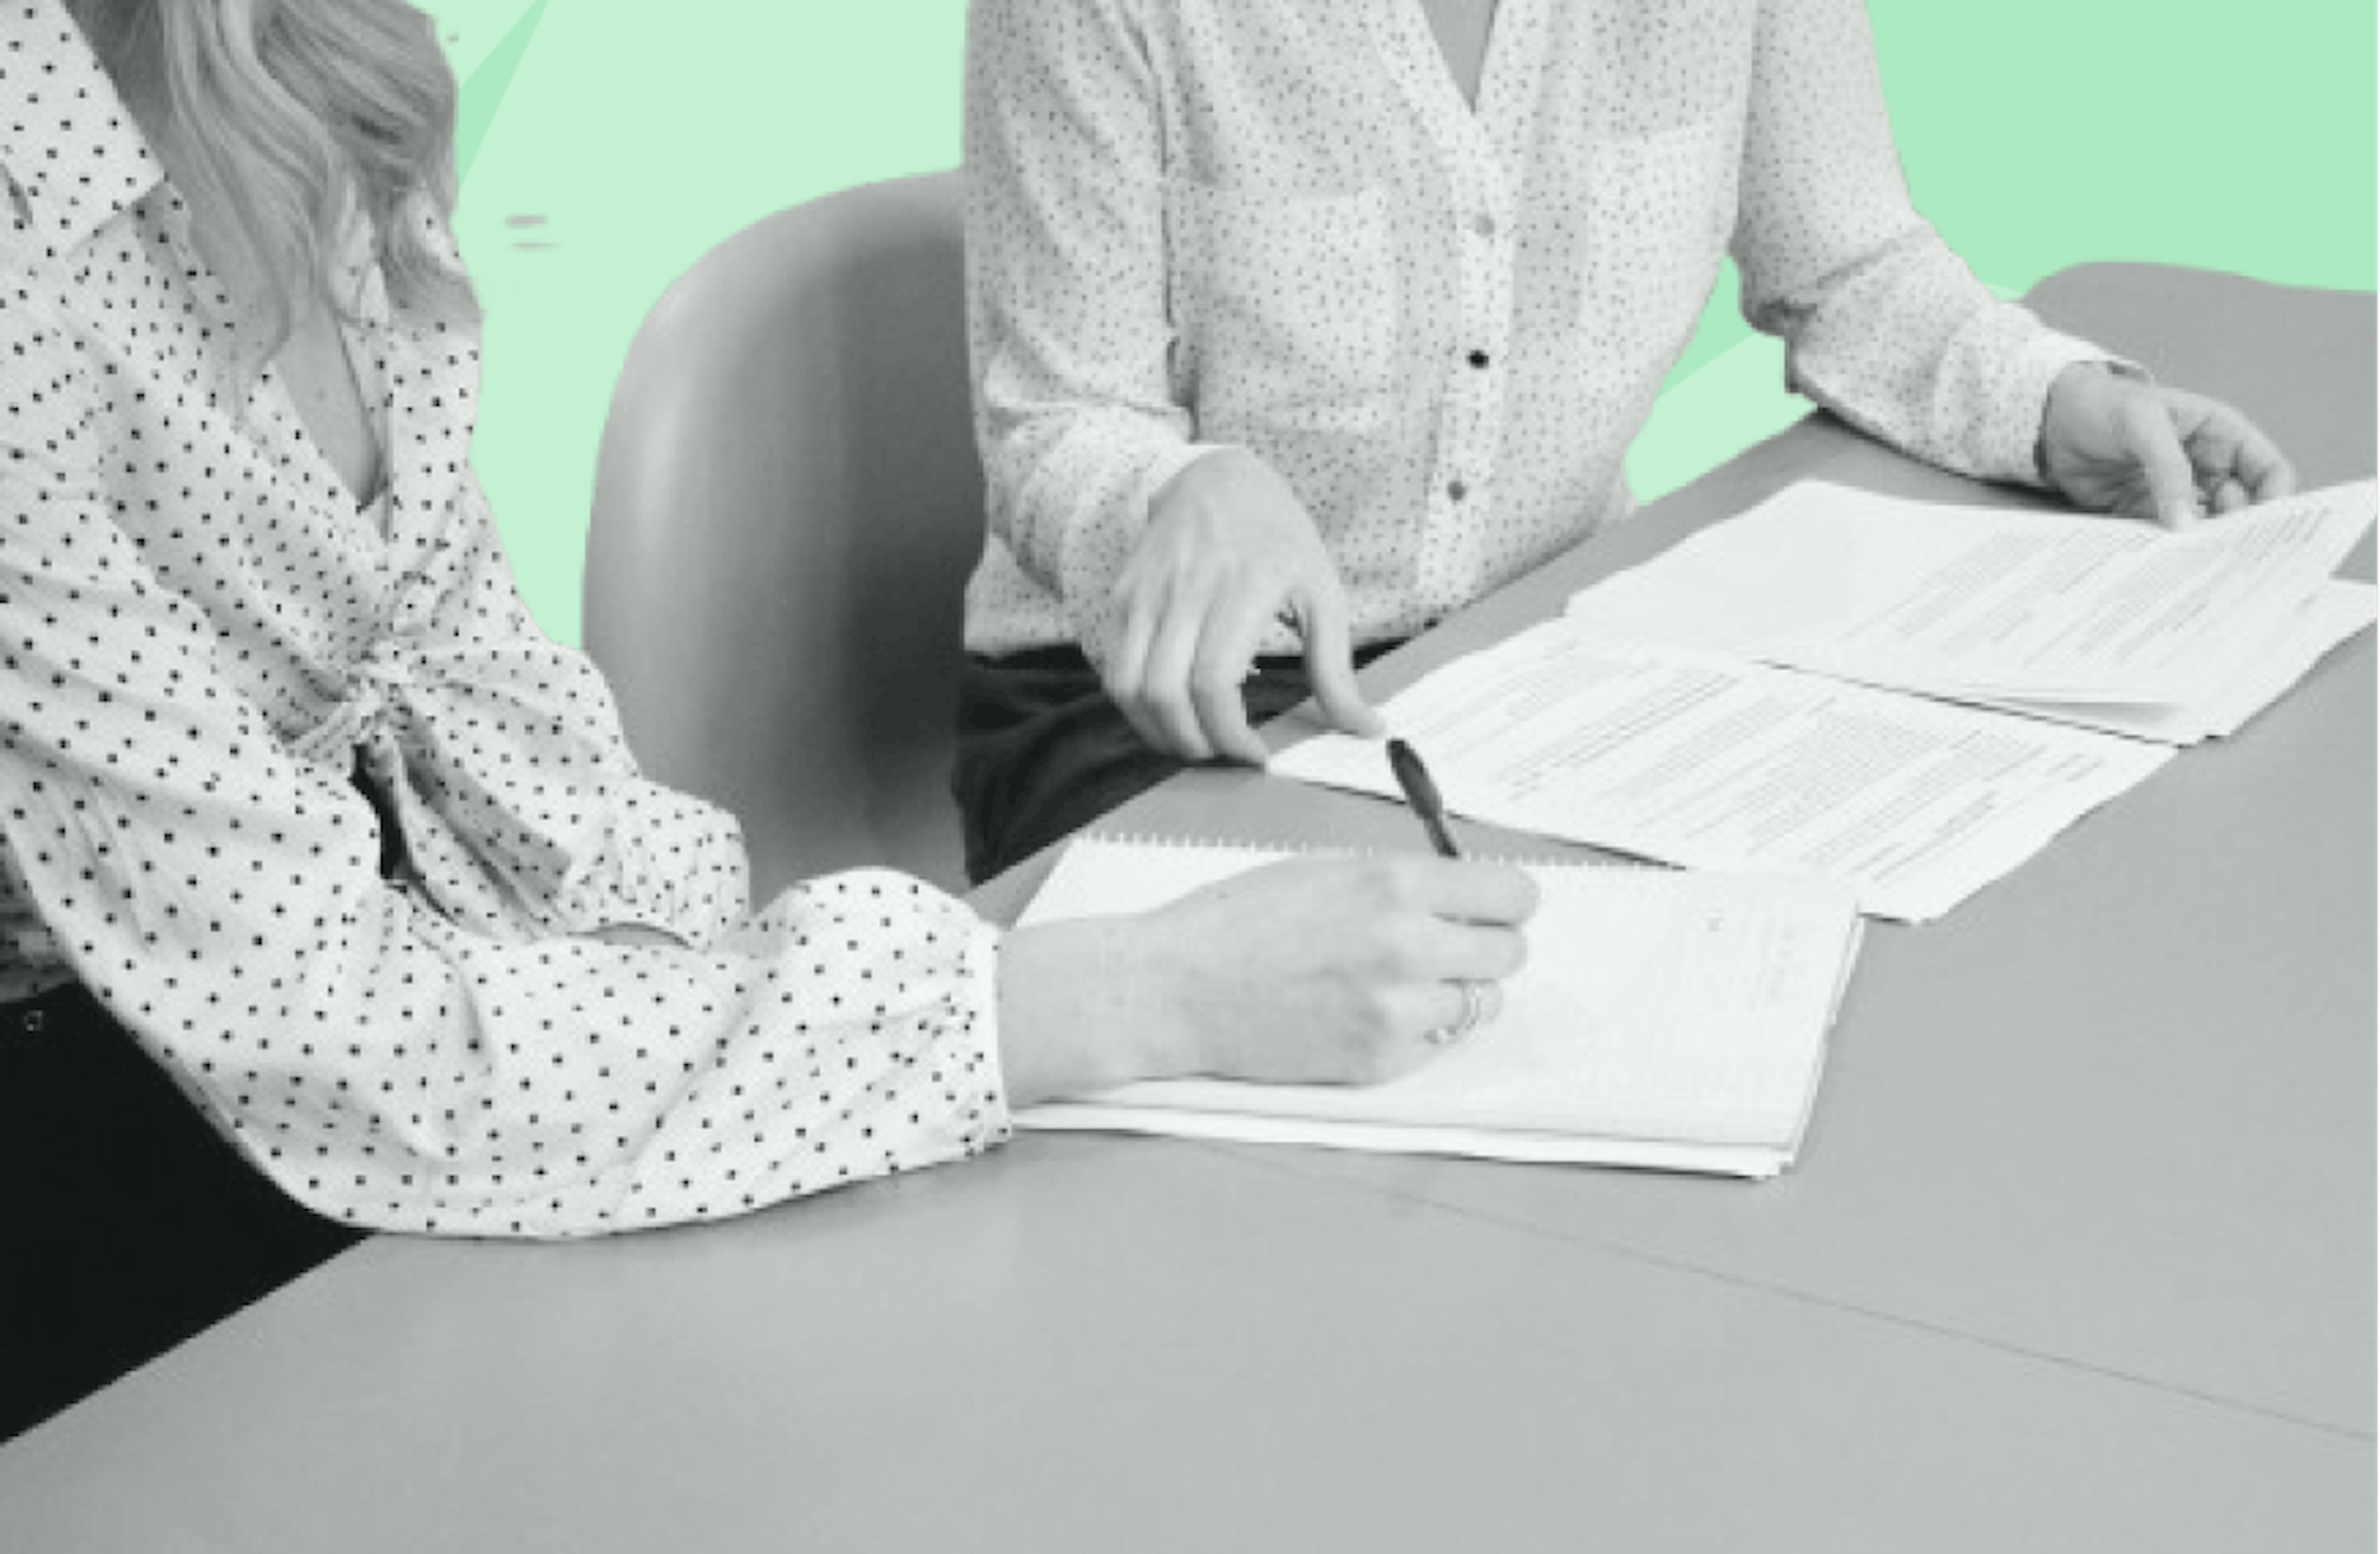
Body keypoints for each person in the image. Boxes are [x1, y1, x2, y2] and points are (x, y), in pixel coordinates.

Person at [0, 0, 1536, 1439]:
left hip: (384, 1001)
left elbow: (493, 727)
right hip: (107, 1115)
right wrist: (1117, 998)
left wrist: (755, 1020)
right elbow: (323, 1027)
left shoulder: (303, 71)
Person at [953, 0, 2300, 881]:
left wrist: (2051, 399)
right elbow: (1059, 419)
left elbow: (1844, 261)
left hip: (1537, 664)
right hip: (1159, 706)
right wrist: (1177, 489)